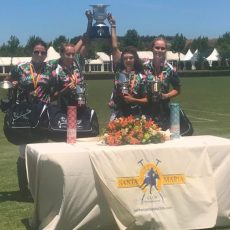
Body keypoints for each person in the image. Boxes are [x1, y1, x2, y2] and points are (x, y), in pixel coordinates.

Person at [8, 39, 56, 199]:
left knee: (42, 151)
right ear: (32, 52)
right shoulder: (20, 68)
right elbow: (8, 82)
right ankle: (24, 189)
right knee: (24, 152)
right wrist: (13, 85)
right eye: (37, 51)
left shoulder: (50, 69)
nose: (40, 54)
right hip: (25, 115)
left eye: (43, 52)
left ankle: (40, 186)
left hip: (43, 114)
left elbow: (54, 89)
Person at [107, 14, 148, 120]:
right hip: (117, 114)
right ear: (122, 60)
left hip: (136, 116)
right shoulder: (118, 71)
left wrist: (133, 100)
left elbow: (147, 100)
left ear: (135, 59)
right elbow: (115, 47)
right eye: (125, 58)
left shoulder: (142, 76)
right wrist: (113, 26)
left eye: (131, 58)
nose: (128, 60)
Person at [144, 37, 181, 130]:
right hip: (145, 110)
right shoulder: (144, 67)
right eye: (157, 47)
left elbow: (177, 89)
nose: (159, 50)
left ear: (166, 50)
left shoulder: (171, 69)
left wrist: (166, 95)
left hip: (163, 112)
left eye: (162, 48)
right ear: (152, 48)